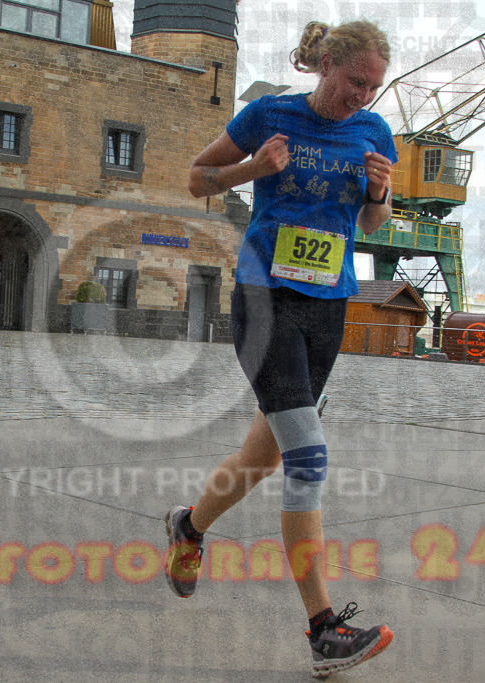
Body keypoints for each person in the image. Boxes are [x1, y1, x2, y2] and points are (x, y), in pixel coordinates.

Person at [163, 20, 395, 679]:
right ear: (325, 64)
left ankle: (188, 525)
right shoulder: (269, 114)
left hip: (328, 307)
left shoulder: (374, 133)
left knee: (262, 458)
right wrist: (253, 167)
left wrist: (378, 193)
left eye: (373, 88)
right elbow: (197, 179)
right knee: (309, 457)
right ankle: (325, 627)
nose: (362, 97)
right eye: (355, 82)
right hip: (264, 298)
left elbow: (370, 223)